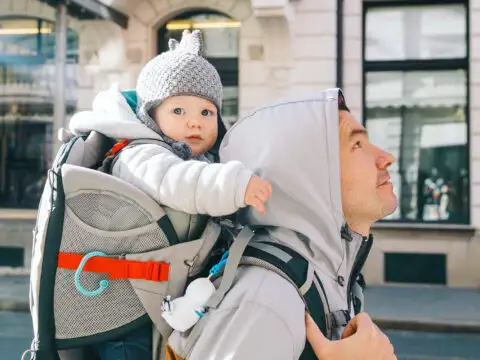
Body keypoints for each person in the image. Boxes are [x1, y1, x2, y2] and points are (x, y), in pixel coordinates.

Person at [68, 29, 271, 360]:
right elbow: (178, 182)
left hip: (159, 300)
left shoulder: (199, 159)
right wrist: (235, 185)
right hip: (124, 309)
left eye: (206, 113)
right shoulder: (139, 153)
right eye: (179, 111)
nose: (195, 122)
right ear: (151, 115)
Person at [166, 88, 398, 359]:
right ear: (310, 174)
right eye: (357, 145)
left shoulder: (322, 271)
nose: (386, 157)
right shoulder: (267, 301)